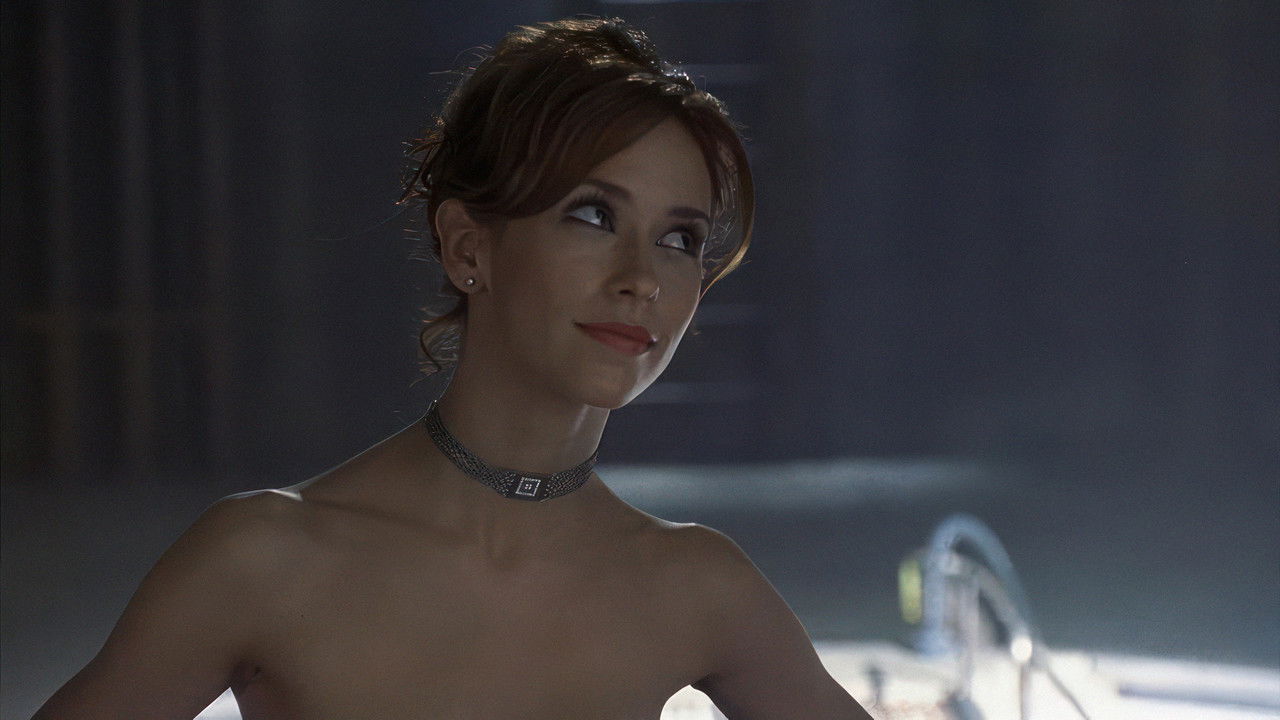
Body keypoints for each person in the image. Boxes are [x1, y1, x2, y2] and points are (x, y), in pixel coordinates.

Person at [35, 17, 873, 719]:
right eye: (592, 215)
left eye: (679, 238)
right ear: (469, 246)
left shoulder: (695, 587)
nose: (642, 278)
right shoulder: (264, 559)